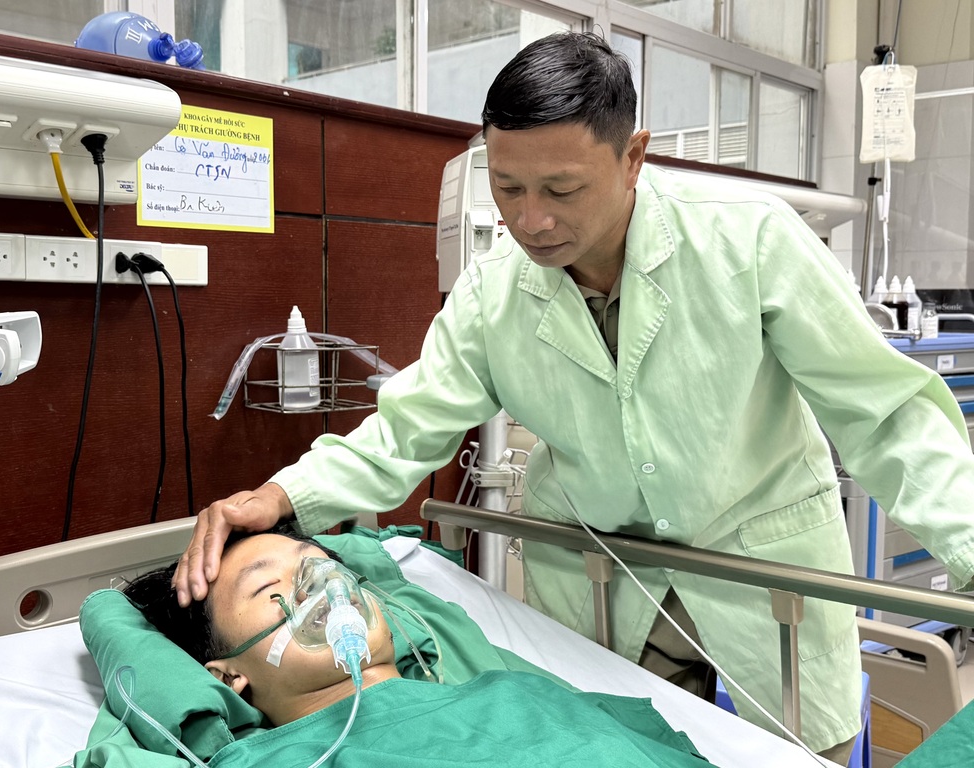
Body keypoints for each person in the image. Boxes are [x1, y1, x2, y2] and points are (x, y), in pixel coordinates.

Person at [173, 31, 974, 764]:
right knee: (609, 744)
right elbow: (406, 428)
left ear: (633, 157)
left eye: (561, 188)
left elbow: (888, 413)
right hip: (603, 580)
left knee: (804, 756)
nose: (531, 221)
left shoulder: (749, 241)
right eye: (508, 187)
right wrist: (283, 496)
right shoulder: (495, 293)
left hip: (763, 569)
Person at [107, 529, 714, 766]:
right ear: (228, 677)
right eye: (271, 589)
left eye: (320, 564)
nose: (321, 586)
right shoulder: (265, 762)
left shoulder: (523, 692)